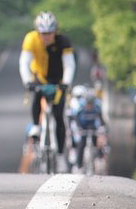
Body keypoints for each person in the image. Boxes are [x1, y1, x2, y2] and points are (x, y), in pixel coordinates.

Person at [19, 11, 76, 173]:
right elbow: (24, 62)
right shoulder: (31, 39)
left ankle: (59, 156)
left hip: (58, 81)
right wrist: (27, 82)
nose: (46, 37)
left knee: (59, 116)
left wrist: (66, 83)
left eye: (49, 33)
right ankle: (36, 126)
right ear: (38, 32)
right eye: (43, 34)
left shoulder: (63, 41)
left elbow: (69, 65)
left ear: (55, 32)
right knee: (36, 94)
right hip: (40, 77)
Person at [73, 91, 107, 172]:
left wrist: (102, 128)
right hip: (83, 127)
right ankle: (79, 165)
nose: (89, 106)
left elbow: (101, 119)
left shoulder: (96, 108)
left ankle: (99, 159)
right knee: (82, 144)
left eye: (91, 104)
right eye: (88, 104)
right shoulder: (81, 109)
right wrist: (78, 128)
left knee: (98, 142)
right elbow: (76, 119)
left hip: (93, 127)